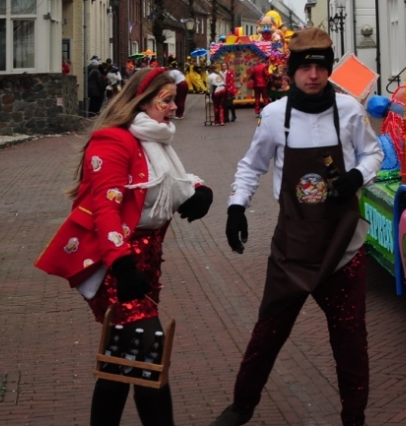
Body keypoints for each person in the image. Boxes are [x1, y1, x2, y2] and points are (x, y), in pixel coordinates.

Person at [211, 28, 381, 426]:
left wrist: (357, 176)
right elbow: (251, 166)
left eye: (320, 67)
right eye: (305, 67)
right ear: (291, 71)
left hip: (343, 247)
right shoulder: (274, 115)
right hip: (293, 247)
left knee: (351, 341)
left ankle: (354, 418)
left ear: (329, 69)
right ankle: (241, 406)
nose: (313, 75)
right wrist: (236, 207)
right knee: (268, 332)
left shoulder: (349, 111)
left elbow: (373, 153)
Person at [35, 66, 214, 426]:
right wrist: (122, 265)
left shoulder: (154, 139)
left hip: (145, 262)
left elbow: (170, 182)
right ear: (142, 101)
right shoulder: (113, 141)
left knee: (120, 362)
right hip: (115, 263)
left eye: (175, 100)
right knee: (149, 355)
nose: (174, 108)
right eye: (166, 100)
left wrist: (199, 191)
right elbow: (107, 208)